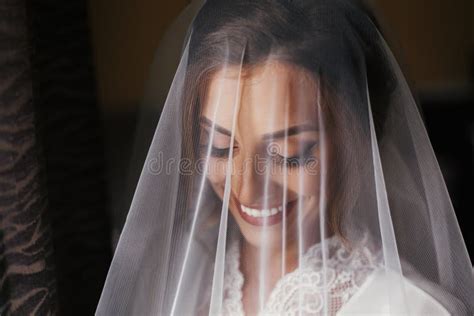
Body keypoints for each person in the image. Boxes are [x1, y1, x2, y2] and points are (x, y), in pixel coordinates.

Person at [96, 0, 474, 315]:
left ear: (358, 143)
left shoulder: (406, 309)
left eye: (290, 155)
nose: (247, 188)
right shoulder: (171, 276)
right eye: (220, 147)